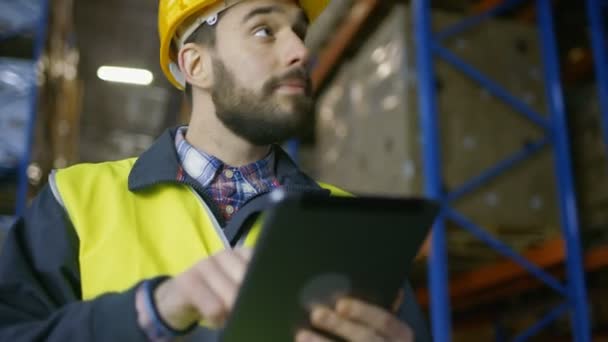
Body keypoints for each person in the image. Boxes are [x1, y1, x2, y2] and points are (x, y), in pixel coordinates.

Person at [0, 0, 431, 340]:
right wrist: (151, 312)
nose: (301, 50)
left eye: (300, 32)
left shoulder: (350, 222)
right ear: (195, 65)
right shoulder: (78, 199)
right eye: (265, 30)